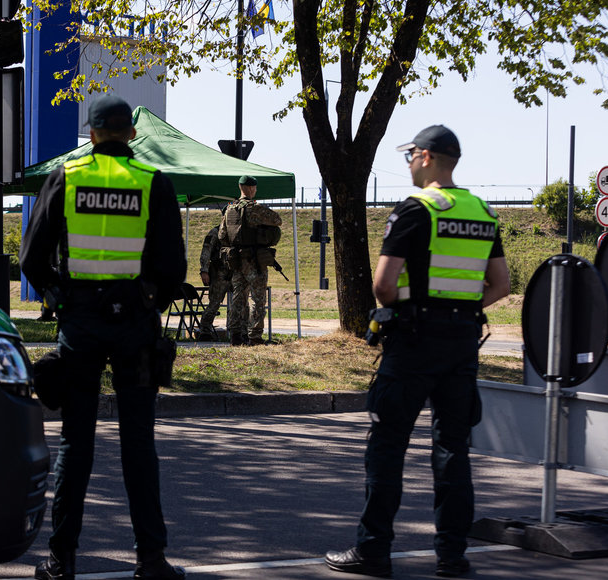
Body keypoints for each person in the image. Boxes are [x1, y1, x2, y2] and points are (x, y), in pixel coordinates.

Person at [325, 125, 510, 578]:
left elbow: (384, 287)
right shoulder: (482, 211)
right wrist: (461, 311)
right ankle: (451, 555)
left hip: (412, 343)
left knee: (387, 448)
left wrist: (413, 309)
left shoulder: (415, 210)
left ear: (426, 157)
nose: (408, 162)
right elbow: (501, 284)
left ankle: (373, 551)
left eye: (410, 154)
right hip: (462, 343)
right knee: (452, 449)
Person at [20, 95, 188, 580]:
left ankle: (61, 560)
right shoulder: (153, 183)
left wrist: (61, 296)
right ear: (130, 133)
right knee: (139, 443)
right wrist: (147, 302)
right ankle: (151, 560)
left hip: (81, 325)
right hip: (134, 325)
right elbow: (173, 269)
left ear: (91, 134)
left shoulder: (67, 178)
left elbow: (32, 260)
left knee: (76, 443)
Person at [218, 175, 282, 346]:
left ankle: (236, 336)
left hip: (236, 261)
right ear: (252, 188)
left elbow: (222, 235)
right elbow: (277, 220)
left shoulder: (230, 209)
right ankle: (255, 336)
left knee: (238, 297)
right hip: (253, 261)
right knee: (258, 299)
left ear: (240, 187)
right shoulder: (255, 208)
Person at [197, 211, 232, 341]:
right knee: (214, 304)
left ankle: (239, 331)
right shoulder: (215, 232)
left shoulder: (237, 232)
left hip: (235, 273)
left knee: (240, 304)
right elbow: (206, 251)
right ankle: (205, 330)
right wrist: (204, 271)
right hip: (219, 274)